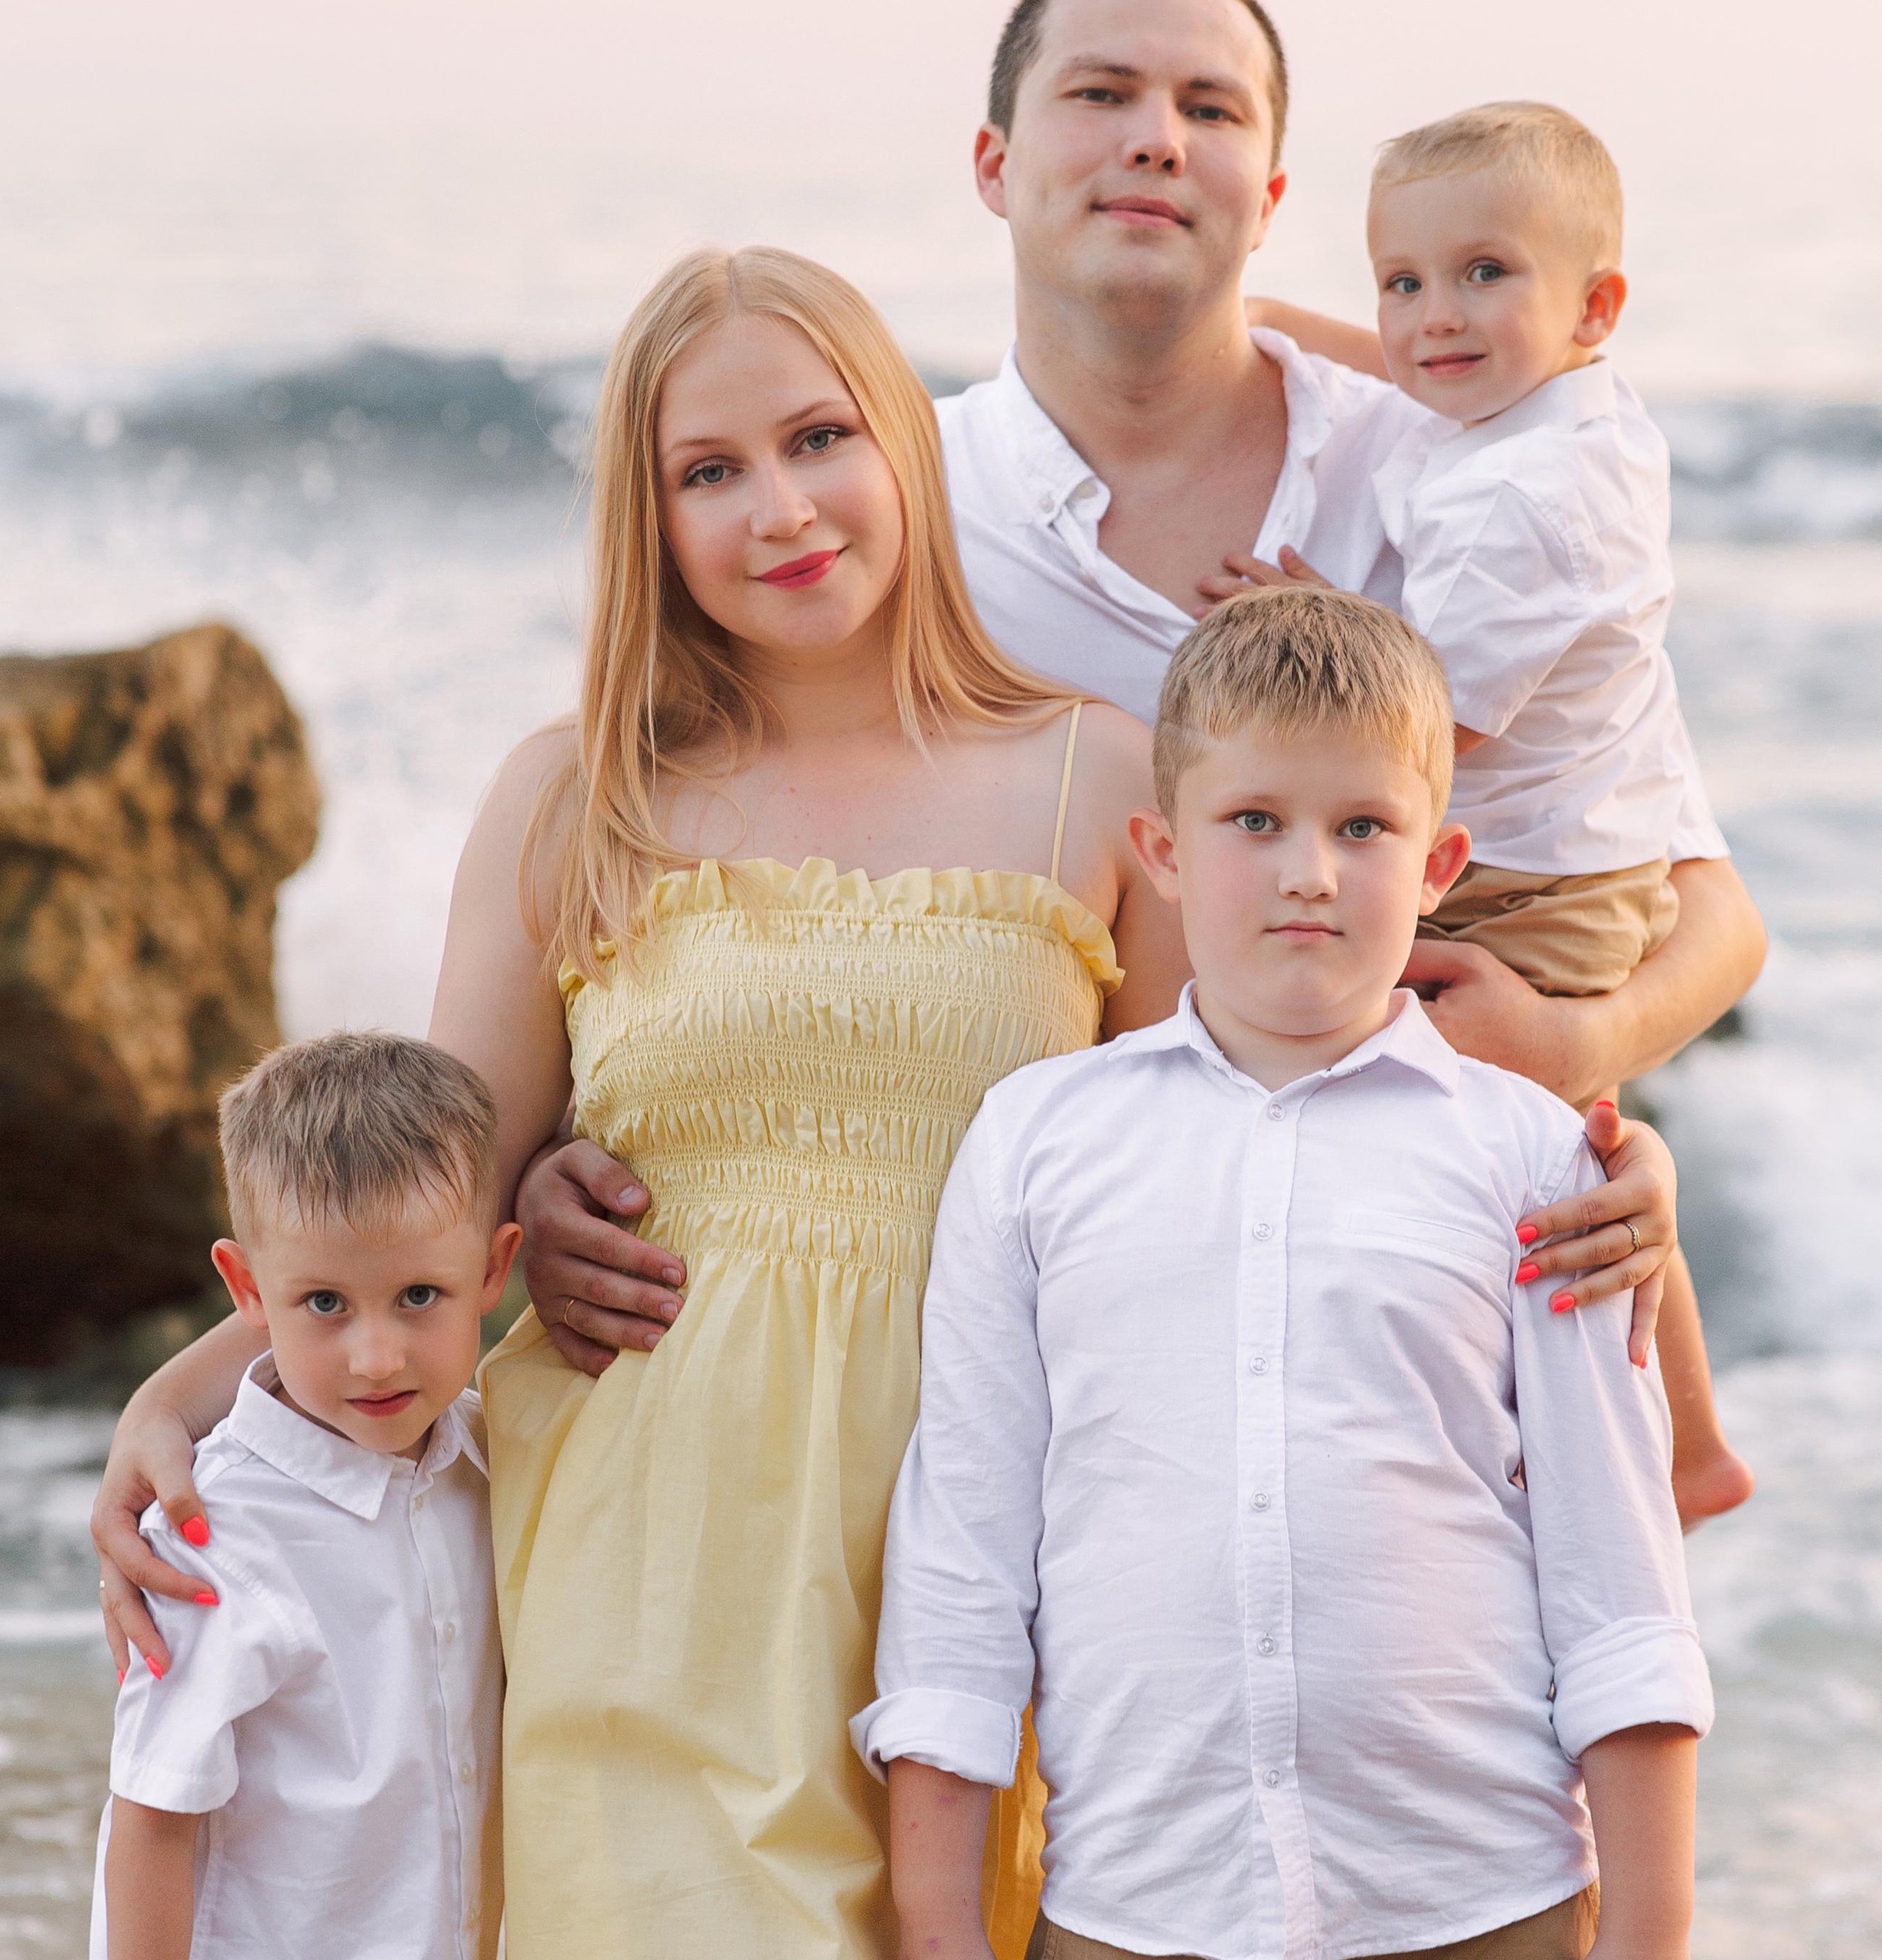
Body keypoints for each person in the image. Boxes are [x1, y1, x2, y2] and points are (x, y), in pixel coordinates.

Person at [492, 0, 1761, 1531]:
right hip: (1077, 1376)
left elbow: (1699, 898)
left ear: (1272, 195)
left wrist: (1578, 1050)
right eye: (1099, 92)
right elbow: (725, 850)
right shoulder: (890, 509)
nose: (1156, 135)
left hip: (1433, 1335)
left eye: (1210, 109)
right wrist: (563, 1162)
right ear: (992, 160)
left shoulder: (1455, 462)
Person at [96, 244, 1195, 1960]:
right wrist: (175, 1393)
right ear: (649, 513)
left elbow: (1220, 1170)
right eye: (709, 469)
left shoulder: (1103, 773)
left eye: (821, 435)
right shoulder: (575, 794)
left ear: (905, 439)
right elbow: (415, 1208)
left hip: (988, 1540)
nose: (780, 505)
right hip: (650, 1545)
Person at [861, 588, 1713, 1960]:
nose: (1310, 870)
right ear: (1166, 849)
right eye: (1255, 821)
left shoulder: (1540, 1161)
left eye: (1362, 827)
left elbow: (1618, 1580)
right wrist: (943, 1927)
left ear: (1440, 864)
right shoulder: (1036, 1142)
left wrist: (1649, 1937)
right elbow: (961, 1560)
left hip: (1482, 1900)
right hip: (1136, 1905)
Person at [1233, 101, 1753, 1519]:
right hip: (1576, 844)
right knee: (1575, 1138)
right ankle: (1672, 1447)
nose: (1428, 319)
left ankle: (1678, 1450)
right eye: (1399, 282)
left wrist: (1311, 624)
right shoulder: (1548, 403)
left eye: (1481, 276)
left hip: (1534, 882)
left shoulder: (1524, 499)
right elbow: (1413, 380)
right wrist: (1276, 321)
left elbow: (1426, 738)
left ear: (1597, 304)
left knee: (1568, 1167)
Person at [92, 1031, 517, 1960]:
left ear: (493, 1269)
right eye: (325, 1302)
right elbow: (153, 1817)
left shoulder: (489, 1466)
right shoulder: (216, 1535)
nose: (376, 1357)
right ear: (247, 1288)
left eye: (418, 1294)